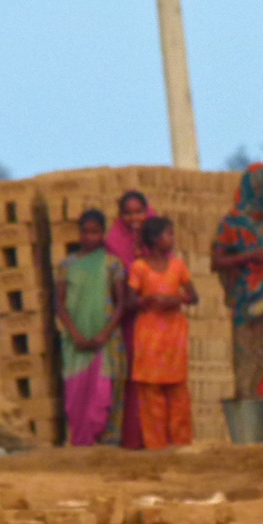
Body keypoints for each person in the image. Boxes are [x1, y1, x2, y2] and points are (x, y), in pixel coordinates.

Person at [211, 163, 263, 443]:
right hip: (247, 308)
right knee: (247, 365)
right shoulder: (231, 223)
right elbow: (217, 261)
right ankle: (252, 432)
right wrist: (251, 255)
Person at [53, 209, 128, 446]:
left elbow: (121, 303)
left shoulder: (112, 264)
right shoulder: (66, 265)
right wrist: (74, 334)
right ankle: (81, 444)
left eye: (95, 232)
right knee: (76, 395)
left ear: (103, 233)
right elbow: (59, 303)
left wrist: (104, 333)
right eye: (85, 231)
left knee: (104, 393)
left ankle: (105, 444)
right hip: (75, 343)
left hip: (105, 342)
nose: (89, 237)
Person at [127, 216, 198, 449]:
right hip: (149, 337)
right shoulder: (139, 267)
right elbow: (129, 301)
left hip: (173, 337)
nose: (172, 238)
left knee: (178, 392)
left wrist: (176, 299)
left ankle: (181, 444)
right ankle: (156, 447)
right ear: (156, 239)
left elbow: (194, 296)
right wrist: (151, 300)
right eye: (169, 234)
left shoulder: (178, 266)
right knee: (151, 392)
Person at [105, 190, 153, 449]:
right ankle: (132, 437)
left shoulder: (158, 236)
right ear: (121, 215)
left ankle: (155, 437)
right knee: (133, 375)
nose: (134, 217)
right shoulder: (114, 241)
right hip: (129, 319)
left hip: (157, 321)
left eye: (139, 211)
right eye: (128, 212)